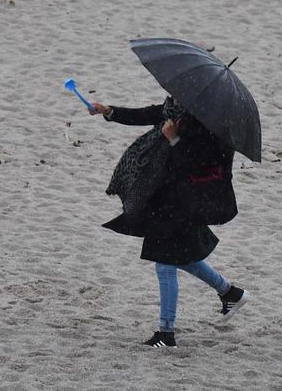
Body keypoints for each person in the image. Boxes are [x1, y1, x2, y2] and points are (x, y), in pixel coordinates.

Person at [90, 97, 249, 349]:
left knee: (165, 264)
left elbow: (200, 165)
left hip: (184, 201)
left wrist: (174, 139)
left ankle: (166, 333)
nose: (171, 93)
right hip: (166, 196)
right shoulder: (177, 108)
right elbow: (146, 114)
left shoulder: (208, 122)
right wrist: (109, 111)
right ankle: (230, 292)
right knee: (181, 256)